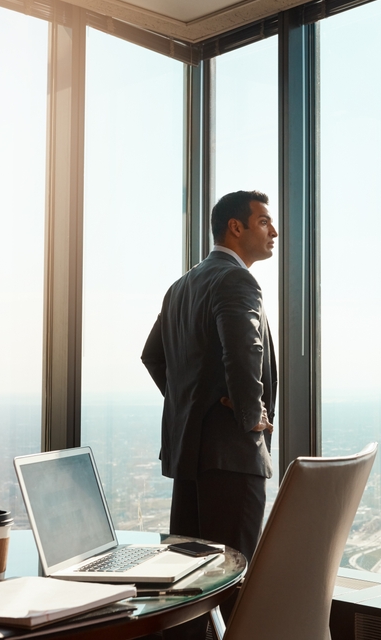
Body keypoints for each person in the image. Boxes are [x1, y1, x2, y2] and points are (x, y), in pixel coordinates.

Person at [142, 190, 278, 564]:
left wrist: (190, 405)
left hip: (189, 454)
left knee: (190, 579)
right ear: (236, 228)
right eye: (264, 222)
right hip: (230, 455)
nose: (274, 232)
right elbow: (244, 349)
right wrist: (251, 416)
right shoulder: (237, 280)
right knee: (233, 575)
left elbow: (153, 357)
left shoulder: (181, 287)